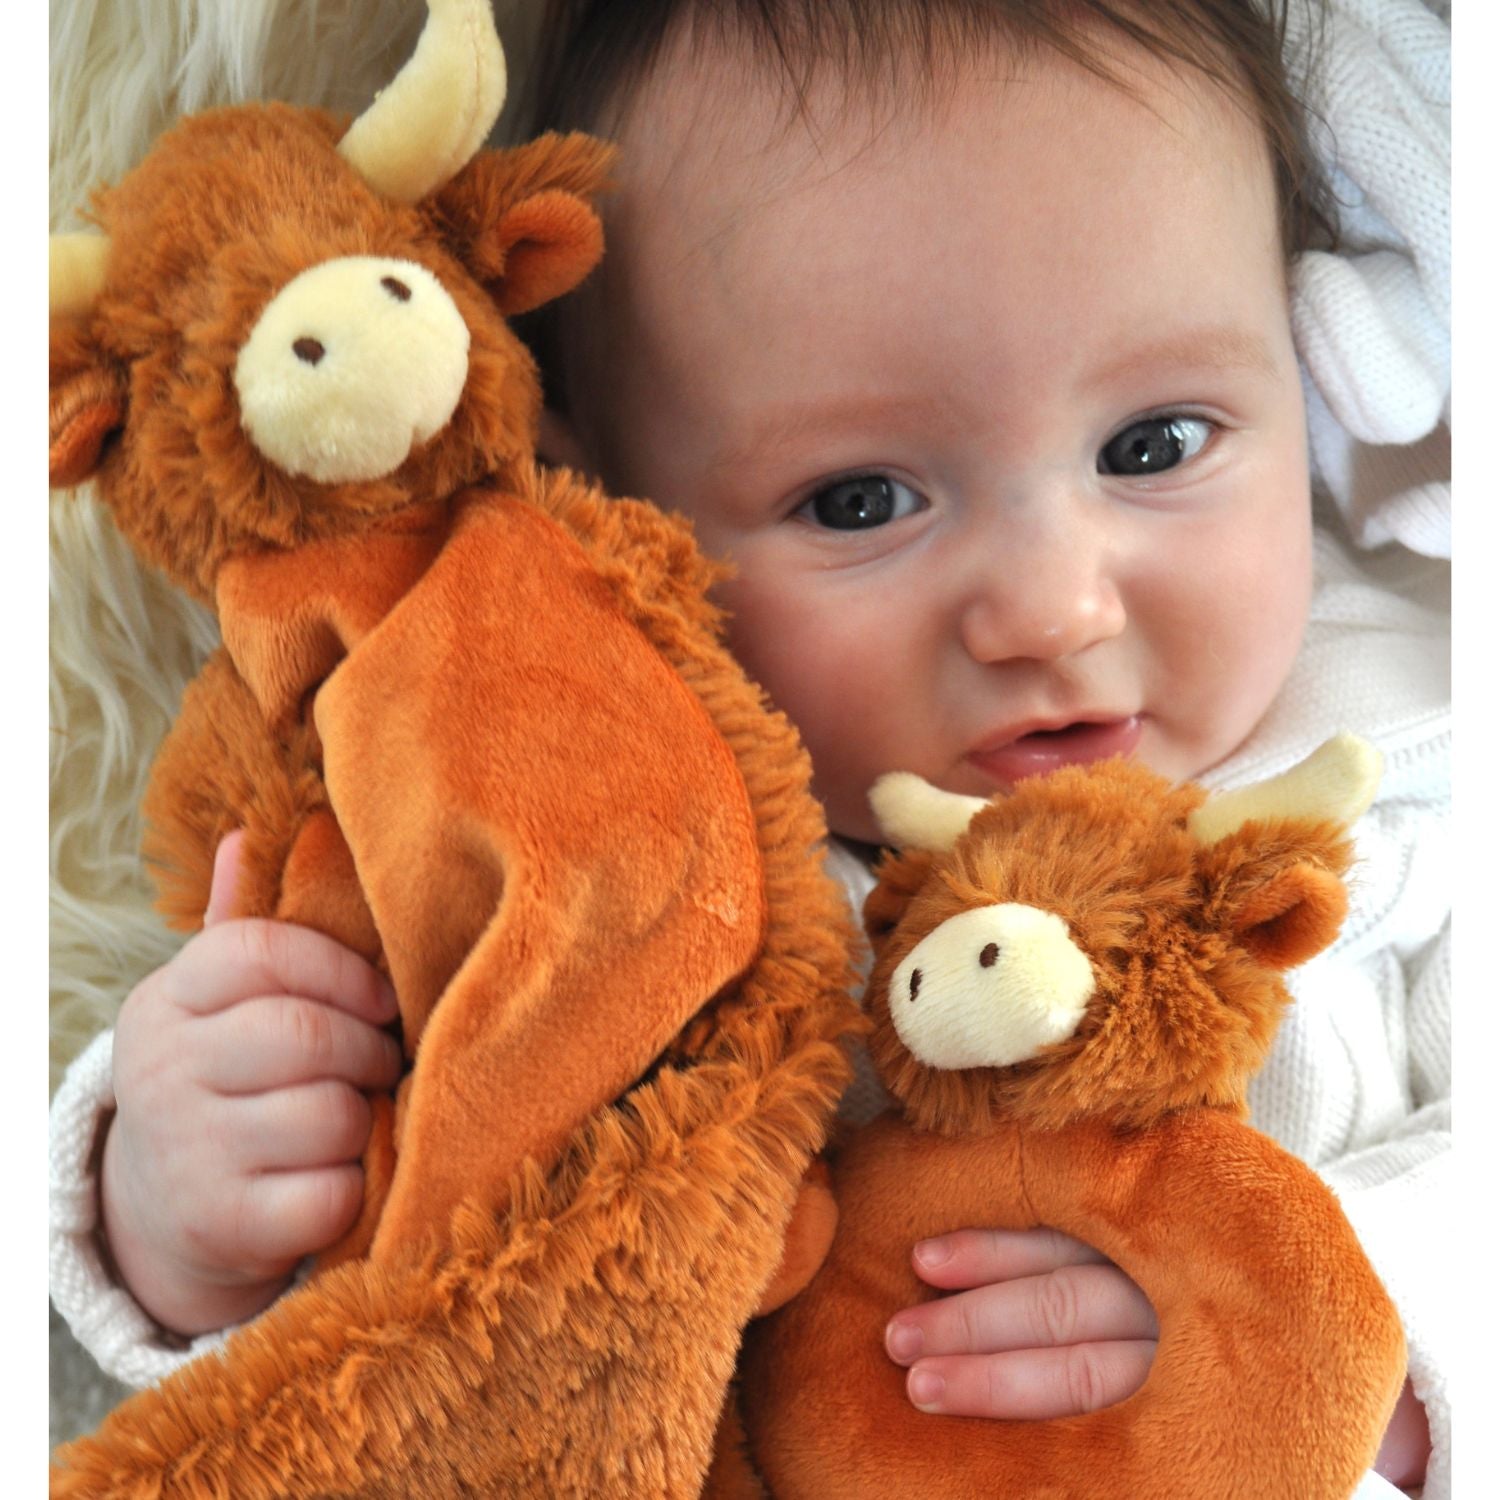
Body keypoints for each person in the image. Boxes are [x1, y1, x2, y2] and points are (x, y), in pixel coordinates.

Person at [50, 1, 1450, 1493]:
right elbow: (407, 1288)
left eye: (1156, 445)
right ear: (619, 504)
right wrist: (169, 1208)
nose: (1052, 607)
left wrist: (1373, 1333)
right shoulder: (580, 830)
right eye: (859, 502)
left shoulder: (1408, 769)